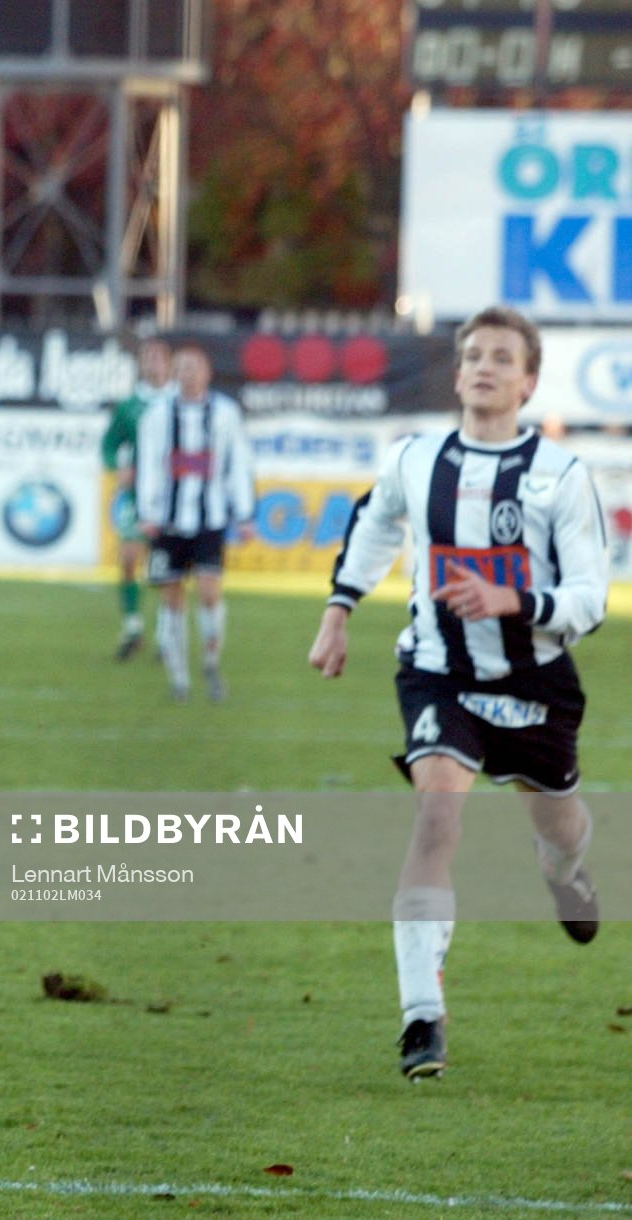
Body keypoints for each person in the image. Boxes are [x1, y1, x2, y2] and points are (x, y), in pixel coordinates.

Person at [307, 305, 609, 1081]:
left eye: (501, 358)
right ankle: (420, 1017)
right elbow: (374, 525)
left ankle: (563, 872)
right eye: (472, 354)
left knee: (561, 823)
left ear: (528, 381)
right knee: (437, 814)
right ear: (457, 371)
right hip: (439, 671)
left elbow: (591, 595)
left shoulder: (561, 476)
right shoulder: (416, 457)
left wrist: (518, 603)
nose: (483, 366)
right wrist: (338, 610)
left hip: (536, 678)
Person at [134, 341, 256, 703]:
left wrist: (244, 513)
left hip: (210, 519)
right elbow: (149, 465)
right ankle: (179, 678)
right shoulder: (157, 415)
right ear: (174, 372)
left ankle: (210, 662)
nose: (187, 373)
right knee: (171, 599)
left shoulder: (224, 413)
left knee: (209, 592)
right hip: (168, 522)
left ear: (207, 373)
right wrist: (147, 512)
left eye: (194, 367)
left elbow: (238, 463)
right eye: (182, 367)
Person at [101, 336, 172, 660]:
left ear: (168, 362)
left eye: (157, 357)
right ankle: (133, 627)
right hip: (137, 496)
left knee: (168, 567)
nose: (152, 363)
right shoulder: (130, 406)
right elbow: (109, 445)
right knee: (129, 559)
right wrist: (119, 466)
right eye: (146, 358)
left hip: (174, 496)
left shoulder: (179, 402)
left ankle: (165, 633)